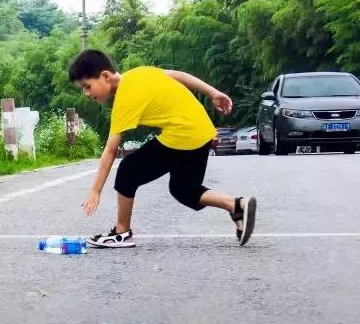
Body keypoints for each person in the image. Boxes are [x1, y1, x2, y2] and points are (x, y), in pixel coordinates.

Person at [68, 49, 257, 248]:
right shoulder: (139, 72)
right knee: (184, 189)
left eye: (87, 86)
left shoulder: (125, 99)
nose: (86, 94)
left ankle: (121, 232)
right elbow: (178, 75)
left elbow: (110, 150)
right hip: (201, 130)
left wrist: (95, 191)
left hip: (183, 133)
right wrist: (213, 93)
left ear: (105, 76)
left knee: (128, 169)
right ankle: (236, 205)